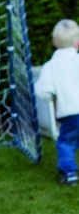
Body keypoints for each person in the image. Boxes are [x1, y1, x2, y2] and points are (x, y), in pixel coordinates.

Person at [34, 19, 79, 186]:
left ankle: (69, 174)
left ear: (54, 42)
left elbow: (42, 91)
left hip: (70, 113)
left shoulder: (50, 67)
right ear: (77, 42)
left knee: (66, 142)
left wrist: (51, 97)